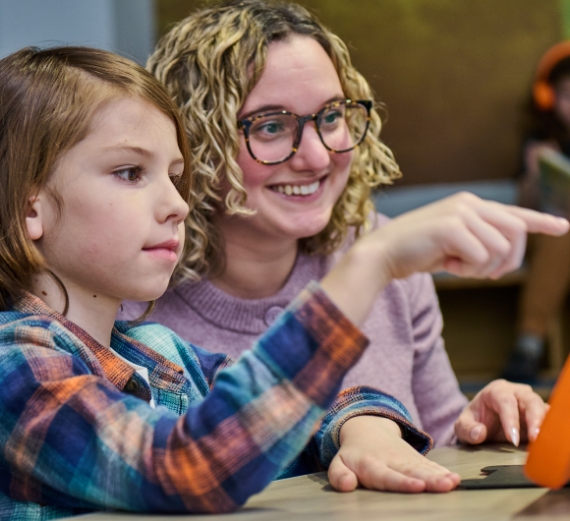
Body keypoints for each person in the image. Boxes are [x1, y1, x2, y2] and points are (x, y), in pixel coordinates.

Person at [0, 45, 450, 519]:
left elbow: (272, 418)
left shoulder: (162, 352)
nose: (178, 205)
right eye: (130, 172)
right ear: (31, 208)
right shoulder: (16, 369)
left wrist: (360, 427)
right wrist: (367, 267)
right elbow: (187, 468)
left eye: (175, 177)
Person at [122, 0, 562, 451]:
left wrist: (480, 426)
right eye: (271, 126)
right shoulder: (127, 297)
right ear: (193, 142)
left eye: (331, 116)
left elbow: (438, 439)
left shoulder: (377, 247)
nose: (317, 157)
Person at [502, 41, 570, 384]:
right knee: (561, 234)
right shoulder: (540, 141)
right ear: (549, 98)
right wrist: (535, 175)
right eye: (567, 95)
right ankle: (528, 347)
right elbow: (524, 207)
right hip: (551, 236)